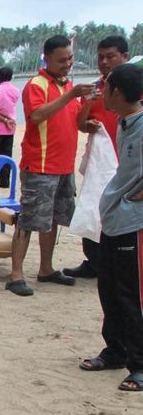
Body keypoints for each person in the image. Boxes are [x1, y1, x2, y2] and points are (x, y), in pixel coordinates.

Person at [5, 35, 97, 297]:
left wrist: (87, 104)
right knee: (29, 218)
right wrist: (71, 95)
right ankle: (15, 275)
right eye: (61, 60)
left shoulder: (68, 86)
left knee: (53, 219)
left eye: (70, 59)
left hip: (64, 165)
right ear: (46, 58)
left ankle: (46, 269)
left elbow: (78, 123)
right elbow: (36, 116)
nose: (67, 64)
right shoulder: (36, 85)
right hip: (40, 165)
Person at [84, 63, 143, 391]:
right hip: (114, 218)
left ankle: (139, 363)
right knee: (108, 288)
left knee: (130, 294)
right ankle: (116, 351)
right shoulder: (123, 123)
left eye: (105, 88)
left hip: (133, 224)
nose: (101, 93)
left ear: (116, 92)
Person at [67, 35, 130, 283]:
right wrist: (88, 116)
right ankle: (94, 261)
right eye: (100, 57)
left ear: (124, 57)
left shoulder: (135, 86)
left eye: (110, 56)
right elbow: (81, 125)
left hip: (129, 158)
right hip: (102, 162)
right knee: (95, 206)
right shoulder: (94, 89)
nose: (104, 62)